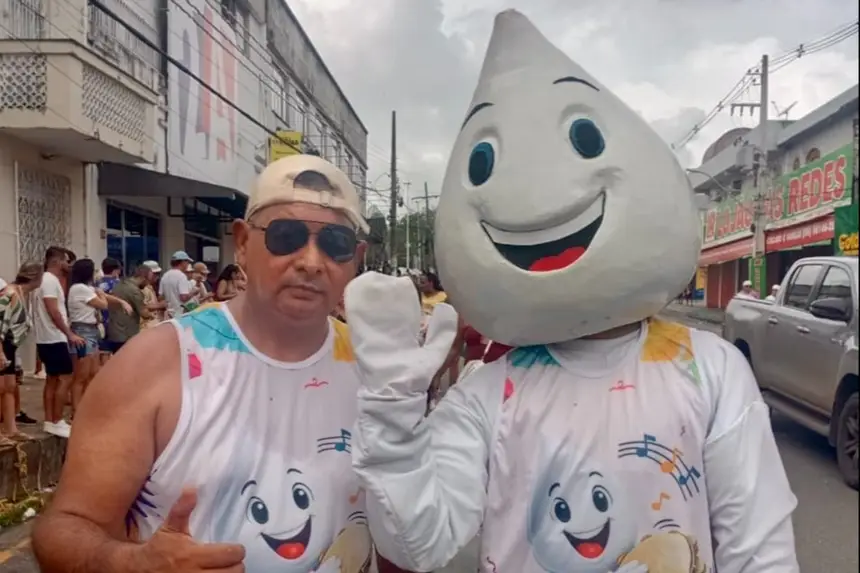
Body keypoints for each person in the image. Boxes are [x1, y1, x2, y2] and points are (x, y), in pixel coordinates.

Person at [343, 11, 799, 573]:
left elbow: (760, 549)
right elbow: (419, 543)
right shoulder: (491, 394)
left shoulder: (710, 370)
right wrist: (392, 421)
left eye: (583, 138)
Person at [32, 154, 414, 573]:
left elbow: (403, 530)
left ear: (356, 257)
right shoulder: (158, 362)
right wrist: (132, 564)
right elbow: (65, 529)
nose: (310, 261)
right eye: (286, 236)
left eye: (335, 244)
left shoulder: (380, 377)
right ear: (244, 242)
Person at [67, 259, 132, 414]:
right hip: (83, 330)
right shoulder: (79, 289)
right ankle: (77, 410)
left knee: (93, 373)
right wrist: (102, 295)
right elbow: (103, 303)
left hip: (92, 330)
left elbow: (103, 296)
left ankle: (88, 406)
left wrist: (122, 302)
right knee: (81, 375)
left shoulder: (86, 288)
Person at [32, 246, 82, 438]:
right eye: (67, 261)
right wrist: (69, 333)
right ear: (58, 261)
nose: (69, 265)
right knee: (65, 377)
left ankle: (50, 420)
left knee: (53, 379)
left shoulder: (44, 280)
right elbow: (54, 311)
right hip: (53, 337)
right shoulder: (50, 281)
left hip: (47, 337)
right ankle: (56, 419)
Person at [0, 263, 43, 444]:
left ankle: (11, 429)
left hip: (10, 345)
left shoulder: (20, 293)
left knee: (9, 387)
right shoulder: (10, 294)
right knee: (2, 388)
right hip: (3, 344)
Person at [106, 265, 153, 354]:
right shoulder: (134, 290)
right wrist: (153, 316)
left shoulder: (119, 284)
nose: (148, 284)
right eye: (148, 281)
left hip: (113, 332)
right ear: (143, 278)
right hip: (127, 334)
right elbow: (144, 313)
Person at [158, 251, 201, 319]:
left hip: (168, 315)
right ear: (182, 262)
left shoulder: (165, 275)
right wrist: (193, 292)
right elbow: (183, 298)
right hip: (180, 315)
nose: (187, 264)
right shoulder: (181, 276)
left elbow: (160, 297)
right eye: (187, 262)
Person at [96, 258, 122, 364]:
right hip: (116, 323)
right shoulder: (118, 284)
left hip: (100, 322)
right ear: (116, 270)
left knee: (103, 352)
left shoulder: (96, 283)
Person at [140, 260, 166, 329]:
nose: (157, 276)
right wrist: (161, 305)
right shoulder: (143, 288)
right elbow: (142, 306)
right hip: (145, 326)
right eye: (155, 274)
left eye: (158, 274)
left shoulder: (150, 287)